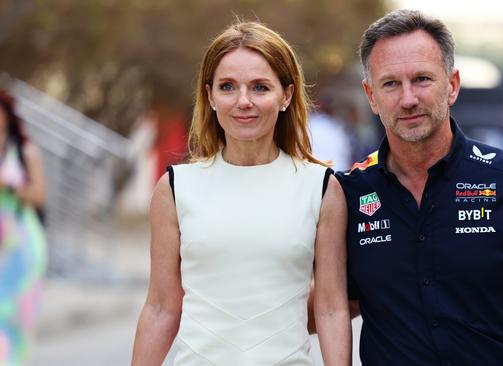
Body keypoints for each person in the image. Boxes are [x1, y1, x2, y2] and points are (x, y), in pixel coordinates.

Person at [335, 10, 503, 365]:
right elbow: (335, 303)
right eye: (390, 83)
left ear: (452, 84)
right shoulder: (347, 193)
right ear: (371, 95)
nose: (408, 98)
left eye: (422, 79)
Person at [131, 21, 351, 366]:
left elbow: (331, 309)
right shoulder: (174, 188)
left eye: (260, 87)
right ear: (210, 96)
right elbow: (161, 307)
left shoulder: (322, 187)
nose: (243, 101)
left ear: (286, 96)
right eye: (228, 87)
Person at [0, 90, 47, 366]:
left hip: (21, 244)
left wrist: (9, 187)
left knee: (13, 313)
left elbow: (39, 195)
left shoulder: (25, 152)